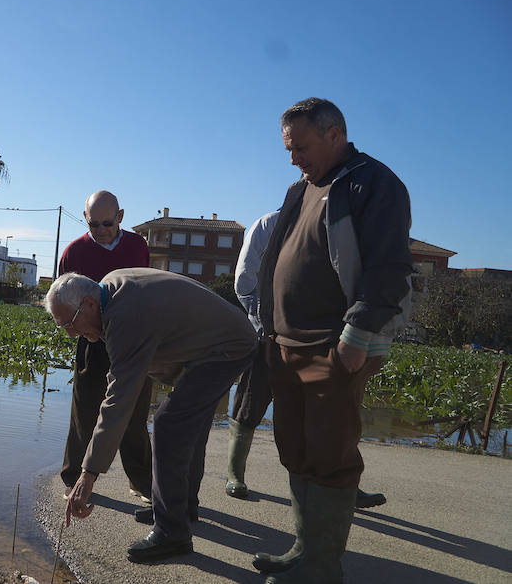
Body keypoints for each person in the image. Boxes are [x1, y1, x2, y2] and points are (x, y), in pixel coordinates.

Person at [253, 98, 412, 583]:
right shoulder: (299, 189)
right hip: (284, 342)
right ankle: (304, 549)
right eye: (288, 148)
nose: (293, 157)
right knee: (295, 448)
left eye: (299, 146)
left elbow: (389, 267)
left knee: (331, 454)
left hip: (333, 344)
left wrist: (357, 335)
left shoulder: (373, 183)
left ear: (334, 134)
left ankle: (324, 566)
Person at [45, 268, 257, 563]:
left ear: (89, 304)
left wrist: (88, 474)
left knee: (169, 424)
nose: (70, 333)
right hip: (217, 342)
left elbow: (119, 401)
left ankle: (172, 533)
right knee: (186, 425)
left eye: (69, 323)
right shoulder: (110, 288)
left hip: (228, 348)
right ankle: (181, 507)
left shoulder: (125, 315)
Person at [226, 210, 387, 510]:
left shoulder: (338, 226)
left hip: (320, 335)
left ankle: (342, 485)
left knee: (333, 412)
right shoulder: (267, 225)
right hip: (269, 332)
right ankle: (235, 473)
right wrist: (268, 323)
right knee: (251, 400)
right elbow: (245, 281)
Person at [57, 190, 154, 503]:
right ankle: (74, 479)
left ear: (121, 217)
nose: (100, 229)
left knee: (135, 416)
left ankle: (141, 482)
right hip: (92, 340)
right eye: (94, 223)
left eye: (107, 223)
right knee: (84, 411)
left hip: (134, 341)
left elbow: (146, 291)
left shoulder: (139, 246)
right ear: (85, 218)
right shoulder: (73, 252)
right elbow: (62, 299)